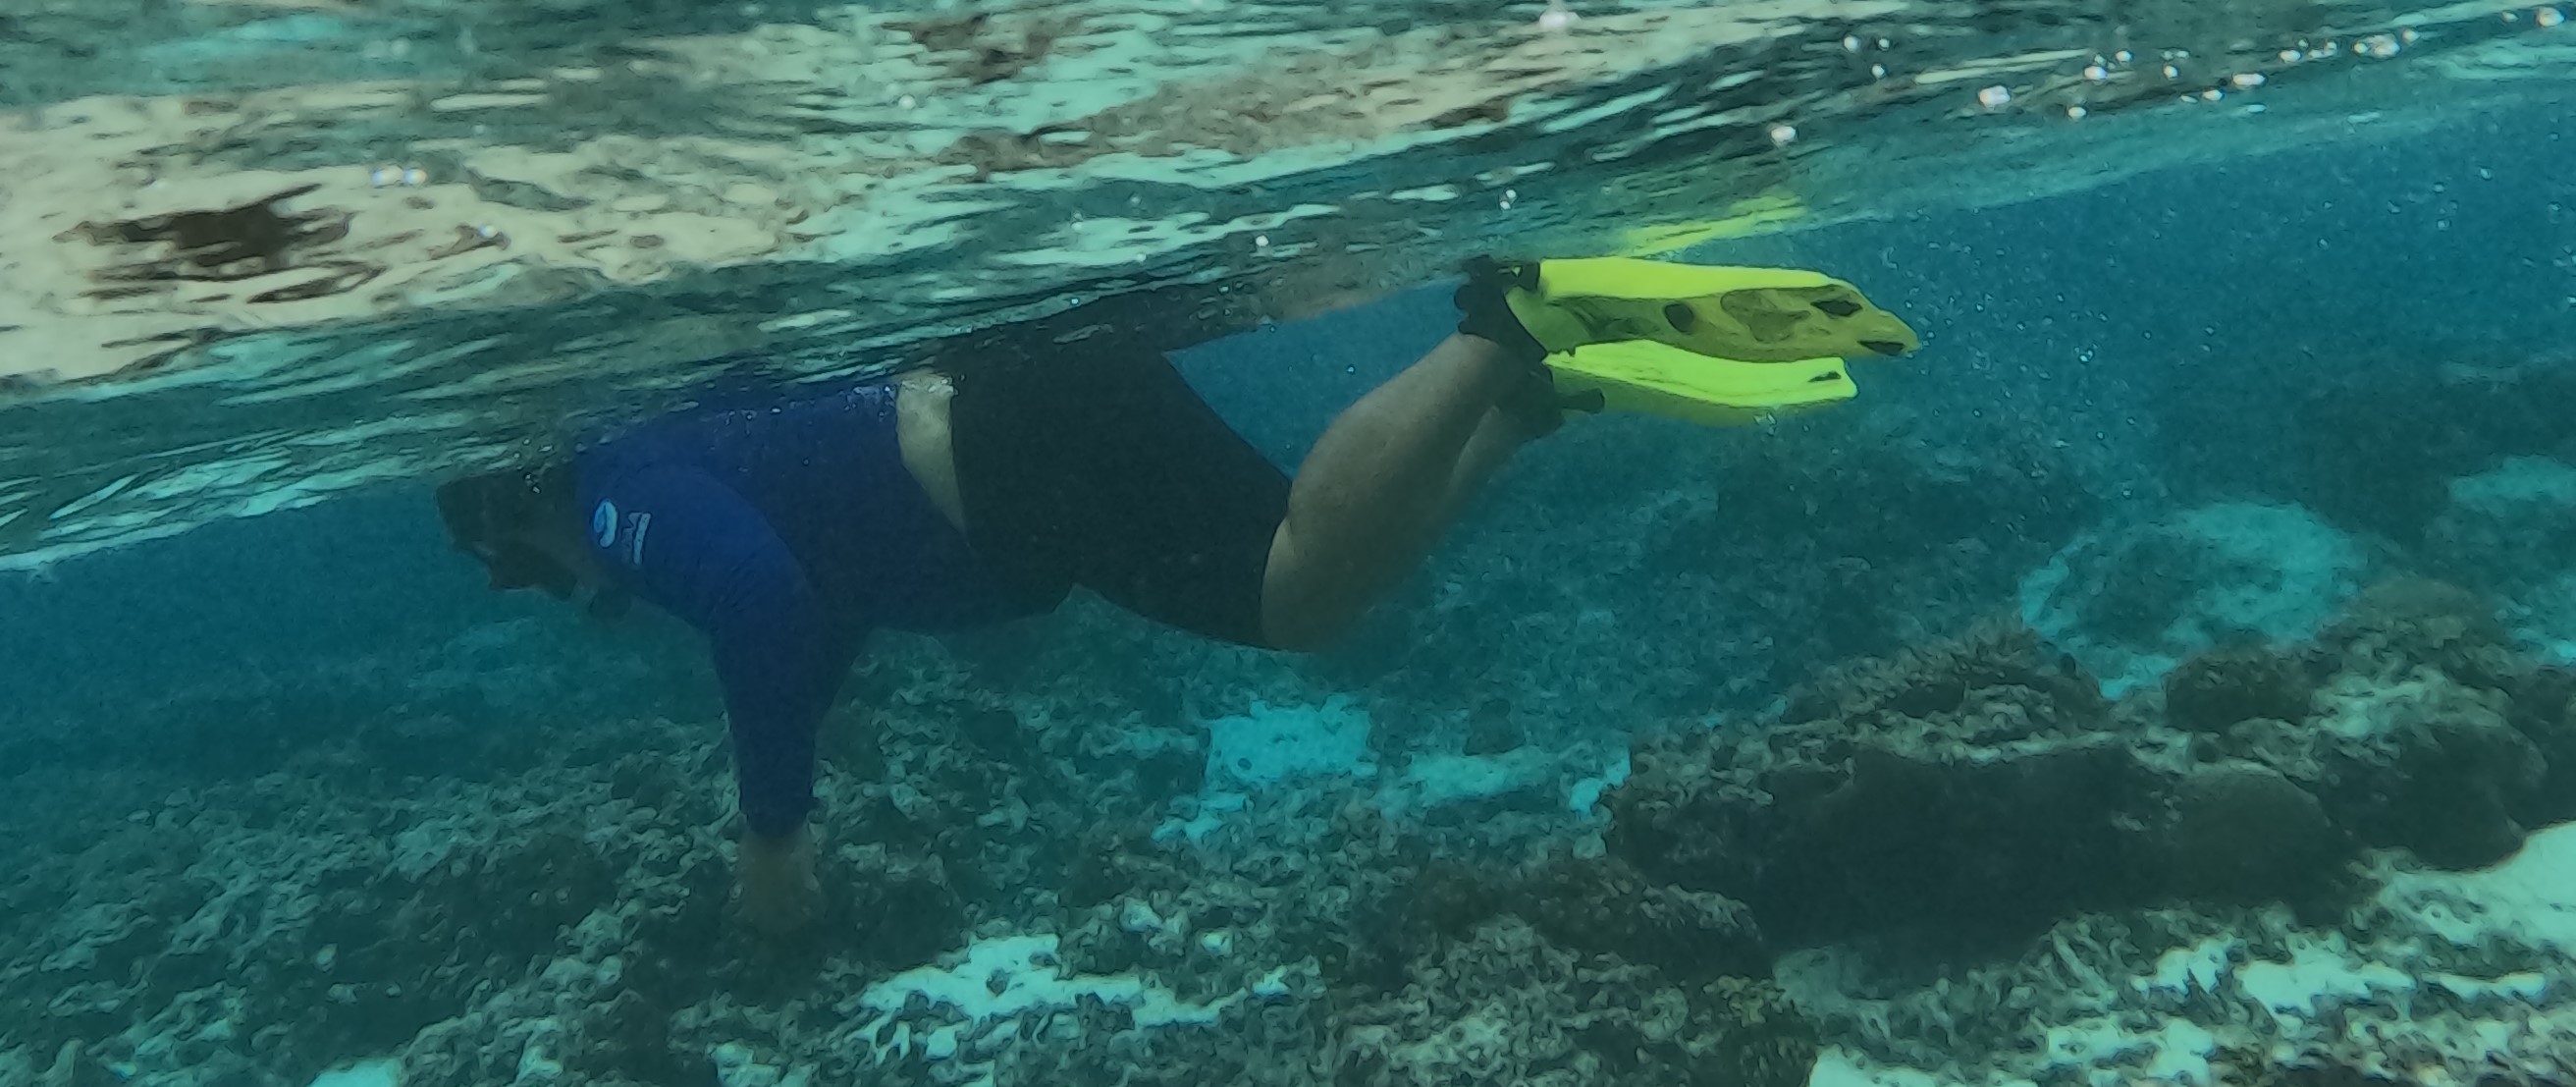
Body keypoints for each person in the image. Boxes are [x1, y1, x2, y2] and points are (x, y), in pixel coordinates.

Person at [434, 256, 1917, 933]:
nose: (550, 588)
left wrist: (772, 828)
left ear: (520, 507)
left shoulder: (616, 489)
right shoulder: (675, 451)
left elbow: (754, 601)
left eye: (517, 568)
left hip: (1019, 453)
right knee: (1318, 604)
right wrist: (790, 740)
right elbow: (817, 605)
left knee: (1291, 587)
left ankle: (1503, 325)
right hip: (1015, 443)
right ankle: (1530, 396)